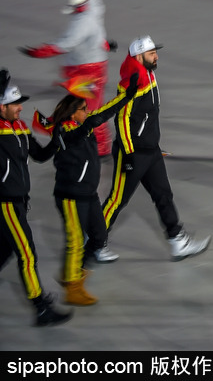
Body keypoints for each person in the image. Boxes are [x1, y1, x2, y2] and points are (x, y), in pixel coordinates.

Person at [99, 36, 210, 261]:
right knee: (117, 200)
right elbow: (122, 118)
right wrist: (129, 153)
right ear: (138, 57)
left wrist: (152, 141)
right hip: (132, 152)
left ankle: (177, 241)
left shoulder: (149, 74)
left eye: (155, 52)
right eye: (151, 53)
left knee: (163, 195)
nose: (156, 56)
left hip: (150, 150)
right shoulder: (133, 81)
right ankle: (94, 242)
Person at [49, 74, 138, 305]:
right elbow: (95, 119)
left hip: (88, 195)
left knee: (99, 237)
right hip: (70, 196)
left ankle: (73, 274)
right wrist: (122, 98)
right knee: (75, 241)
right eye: (83, 109)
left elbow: (98, 116)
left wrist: (125, 97)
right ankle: (73, 288)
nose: (87, 112)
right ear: (73, 112)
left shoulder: (81, 127)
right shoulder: (64, 131)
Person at [0, 69, 72, 326]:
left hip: (19, 200)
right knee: (27, 254)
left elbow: (39, 156)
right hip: (5, 203)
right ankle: (41, 308)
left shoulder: (19, 127)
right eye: (15, 104)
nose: (20, 108)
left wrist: (56, 139)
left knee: (7, 246)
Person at [19, 0, 117, 156]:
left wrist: (39, 52)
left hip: (87, 71)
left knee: (90, 110)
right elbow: (96, 31)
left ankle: (100, 149)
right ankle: (74, 136)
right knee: (80, 106)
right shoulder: (94, 6)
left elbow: (64, 44)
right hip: (86, 68)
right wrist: (103, 44)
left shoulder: (83, 20)